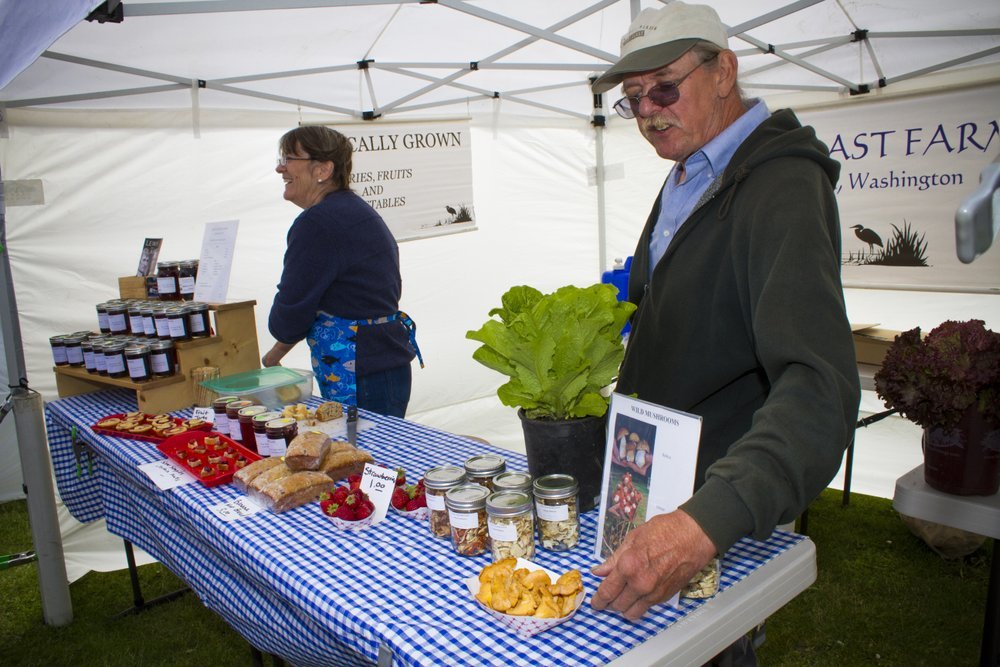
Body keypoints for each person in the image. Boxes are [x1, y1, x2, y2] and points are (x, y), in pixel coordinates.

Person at [588, 1, 860, 657]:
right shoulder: (687, 171)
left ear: (725, 70)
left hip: (713, 510)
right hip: (655, 492)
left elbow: (820, 385)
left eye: (664, 87)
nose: (649, 111)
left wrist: (708, 522)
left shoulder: (782, 186)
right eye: (633, 99)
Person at [262, 125, 421, 418]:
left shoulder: (319, 222)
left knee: (364, 455)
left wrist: (277, 342)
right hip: (380, 363)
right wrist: (276, 354)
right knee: (372, 455)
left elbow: (294, 305)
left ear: (322, 169)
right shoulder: (350, 210)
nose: (279, 168)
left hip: (363, 369)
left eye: (288, 159)